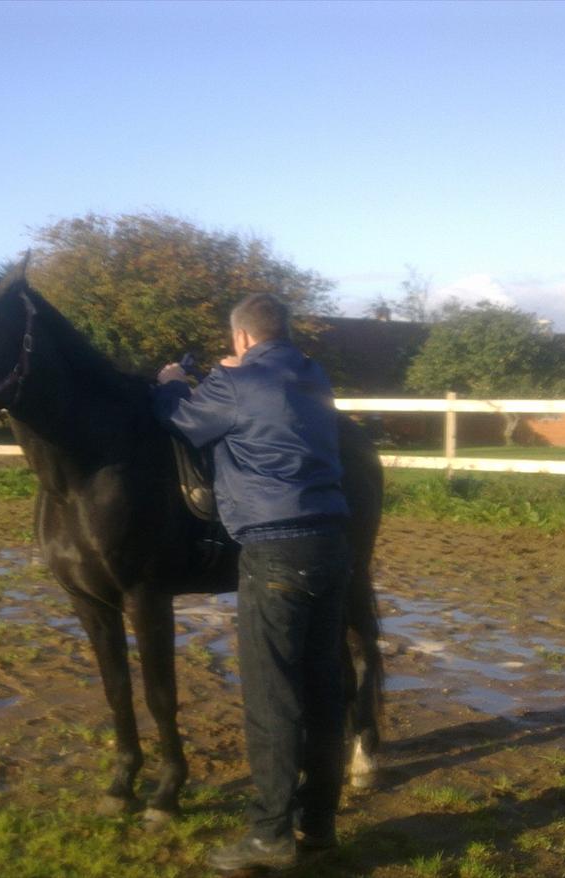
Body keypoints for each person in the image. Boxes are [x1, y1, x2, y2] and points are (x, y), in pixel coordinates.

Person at [154, 293, 351, 873]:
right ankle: (318, 825)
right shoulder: (315, 377)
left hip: (272, 550)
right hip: (331, 542)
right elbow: (275, 387)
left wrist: (172, 381)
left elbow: (180, 420)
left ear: (240, 339)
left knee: (272, 699)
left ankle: (269, 836)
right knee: (322, 690)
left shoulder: (231, 386)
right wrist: (234, 371)